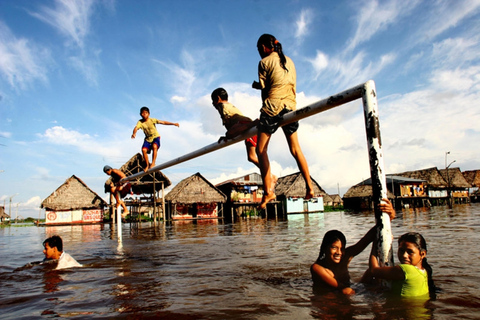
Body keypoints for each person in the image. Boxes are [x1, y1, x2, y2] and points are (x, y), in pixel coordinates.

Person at [252, 34, 314, 209]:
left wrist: (260, 91)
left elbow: (266, 92)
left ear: (264, 47)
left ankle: (268, 192)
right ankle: (309, 187)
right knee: (296, 149)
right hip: (291, 107)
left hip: (273, 106)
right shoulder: (289, 60)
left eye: (259, 49)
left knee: (260, 150)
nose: (259, 53)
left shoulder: (264, 62)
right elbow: (285, 82)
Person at [311, 199, 396, 295]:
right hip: (334, 294)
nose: (339, 252)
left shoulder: (345, 256)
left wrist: (389, 217)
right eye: (334, 247)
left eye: (342, 248)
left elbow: (367, 239)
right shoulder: (317, 268)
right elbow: (342, 289)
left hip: (350, 288)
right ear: (325, 248)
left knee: (372, 272)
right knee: (345, 293)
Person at [369, 231, 436, 299]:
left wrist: (375, 245)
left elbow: (373, 270)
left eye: (410, 252)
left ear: (423, 254)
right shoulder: (424, 271)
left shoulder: (406, 270)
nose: (404, 255)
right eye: (401, 250)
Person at [211, 87, 260, 168]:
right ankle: (271, 175)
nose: (213, 104)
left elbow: (228, 126)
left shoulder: (222, 106)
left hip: (244, 124)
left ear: (218, 98)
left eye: (213, 101)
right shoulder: (229, 105)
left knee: (229, 133)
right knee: (252, 157)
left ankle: (254, 123)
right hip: (243, 125)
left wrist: (229, 135)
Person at [131, 106, 180, 171]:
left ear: (149, 114)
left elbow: (163, 122)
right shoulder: (140, 122)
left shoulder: (152, 120)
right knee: (143, 150)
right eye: (143, 113)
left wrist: (173, 123)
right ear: (140, 114)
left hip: (155, 137)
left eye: (146, 113)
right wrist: (134, 133)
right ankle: (147, 165)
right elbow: (136, 128)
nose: (144, 114)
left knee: (154, 146)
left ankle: (153, 163)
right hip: (148, 139)